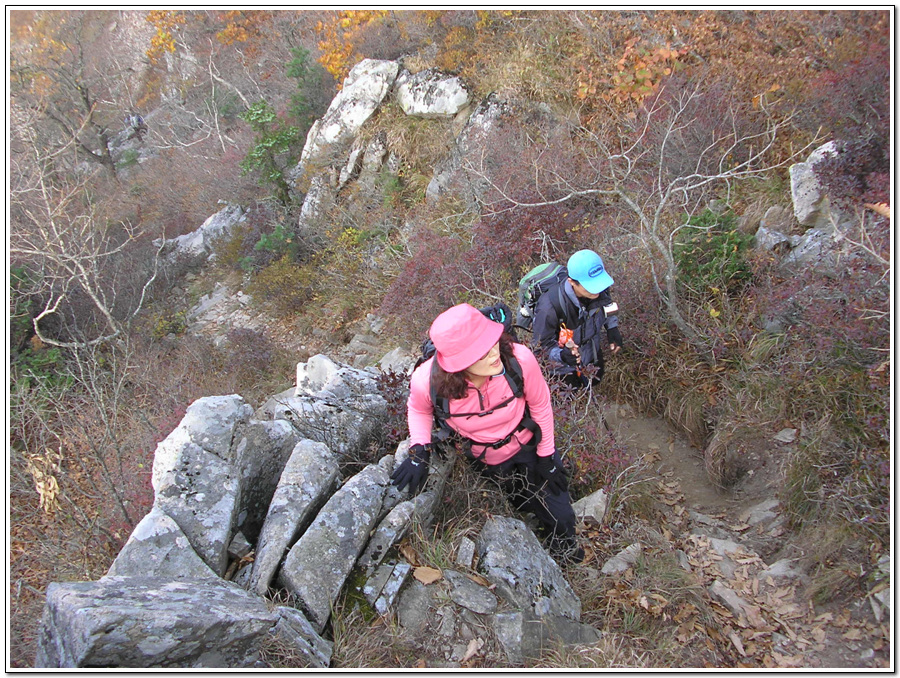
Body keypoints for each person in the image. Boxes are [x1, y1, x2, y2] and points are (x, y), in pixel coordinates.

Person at [391, 303, 583, 563]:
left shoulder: (519, 358)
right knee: (519, 501)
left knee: (561, 516)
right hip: (483, 460)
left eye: (492, 342)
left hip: (530, 449)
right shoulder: (427, 380)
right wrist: (419, 451)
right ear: (458, 363)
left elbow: (540, 404)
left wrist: (547, 455)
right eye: (481, 353)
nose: (494, 353)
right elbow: (419, 410)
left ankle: (564, 550)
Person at [531, 249, 623, 388]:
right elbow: (540, 347)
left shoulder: (599, 286)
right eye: (590, 288)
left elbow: (607, 305)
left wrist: (612, 328)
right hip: (563, 372)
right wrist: (562, 356)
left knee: (593, 384)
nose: (597, 291)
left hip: (592, 356)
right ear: (572, 282)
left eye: (599, 285)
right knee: (570, 398)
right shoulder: (548, 307)